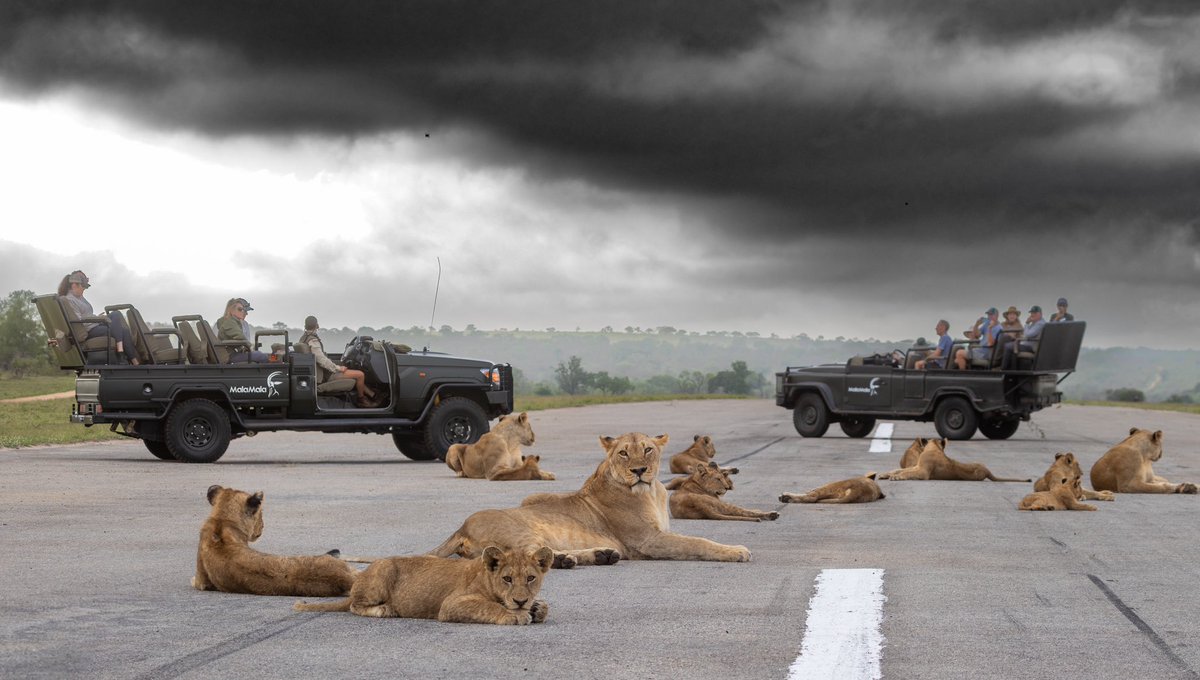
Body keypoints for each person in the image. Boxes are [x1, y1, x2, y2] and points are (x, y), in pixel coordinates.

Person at [52, 270, 139, 365]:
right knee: (122, 331)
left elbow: (85, 315)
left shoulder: (79, 297)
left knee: (115, 314)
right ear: (74, 285)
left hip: (94, 324)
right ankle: (127, 357)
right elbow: (78, 320)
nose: (83, 290)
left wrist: (97, 317)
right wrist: (98, 320)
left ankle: (126, 356)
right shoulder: (69, 300)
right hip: (89, 330)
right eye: (83, 287)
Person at [298, 315, 378, 407]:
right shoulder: (313, 340)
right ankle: (361, 400)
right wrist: (338, 368)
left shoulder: (303, 338)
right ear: (317, 326)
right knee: (360, 375)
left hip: (323, 373)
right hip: (325, 376)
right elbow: (321, 360)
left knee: (355, 375)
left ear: (305, 326)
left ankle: (373, 395)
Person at [216, 298, 271, 363]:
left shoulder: (233, 322)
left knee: (260, 354)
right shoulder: (229, 322)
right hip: (230, 355)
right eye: (241, 310)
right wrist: (250, 346)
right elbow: (239, 336)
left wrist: (246, 347)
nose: (246, 313)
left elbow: (237, 339)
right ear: (232, 310)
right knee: (262, 356)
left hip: (232, 353)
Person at [1002, 305, 1047, 369]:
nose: (1032, 315)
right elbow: (1027, 334)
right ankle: (1012, 369)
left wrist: (1027, 323)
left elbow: (1028, 334)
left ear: (1040, 314)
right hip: (1027, 344)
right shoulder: (1035, 323)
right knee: (1012, 345)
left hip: (1031, 347)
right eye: (1032, 313)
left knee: (1008, 346)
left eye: (1035, 313)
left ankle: (1003, 369)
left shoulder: (1040, 324)